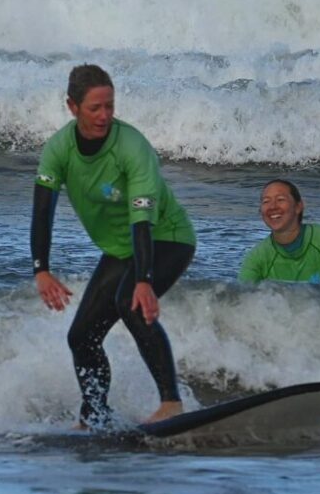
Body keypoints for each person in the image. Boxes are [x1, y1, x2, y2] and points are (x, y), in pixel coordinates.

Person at [31, 64, 196, 428]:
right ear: (72, 107)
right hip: (122, 249)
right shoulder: (58, 149)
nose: (105, 115)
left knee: (131, 303)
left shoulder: (132, 148)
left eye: (110, 106)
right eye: (95, 108)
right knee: (81, 336)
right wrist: (41, 270)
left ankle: (171, 403)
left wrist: (144, 279)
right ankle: (94, 415)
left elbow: (142, 221)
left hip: (165, 238)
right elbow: (43, 210)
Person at [238, 179, 320, 283]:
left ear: (298, 207)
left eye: (280, 199)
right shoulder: (256, 258)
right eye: (266, 201)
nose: (272, 206)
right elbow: (242, 300)